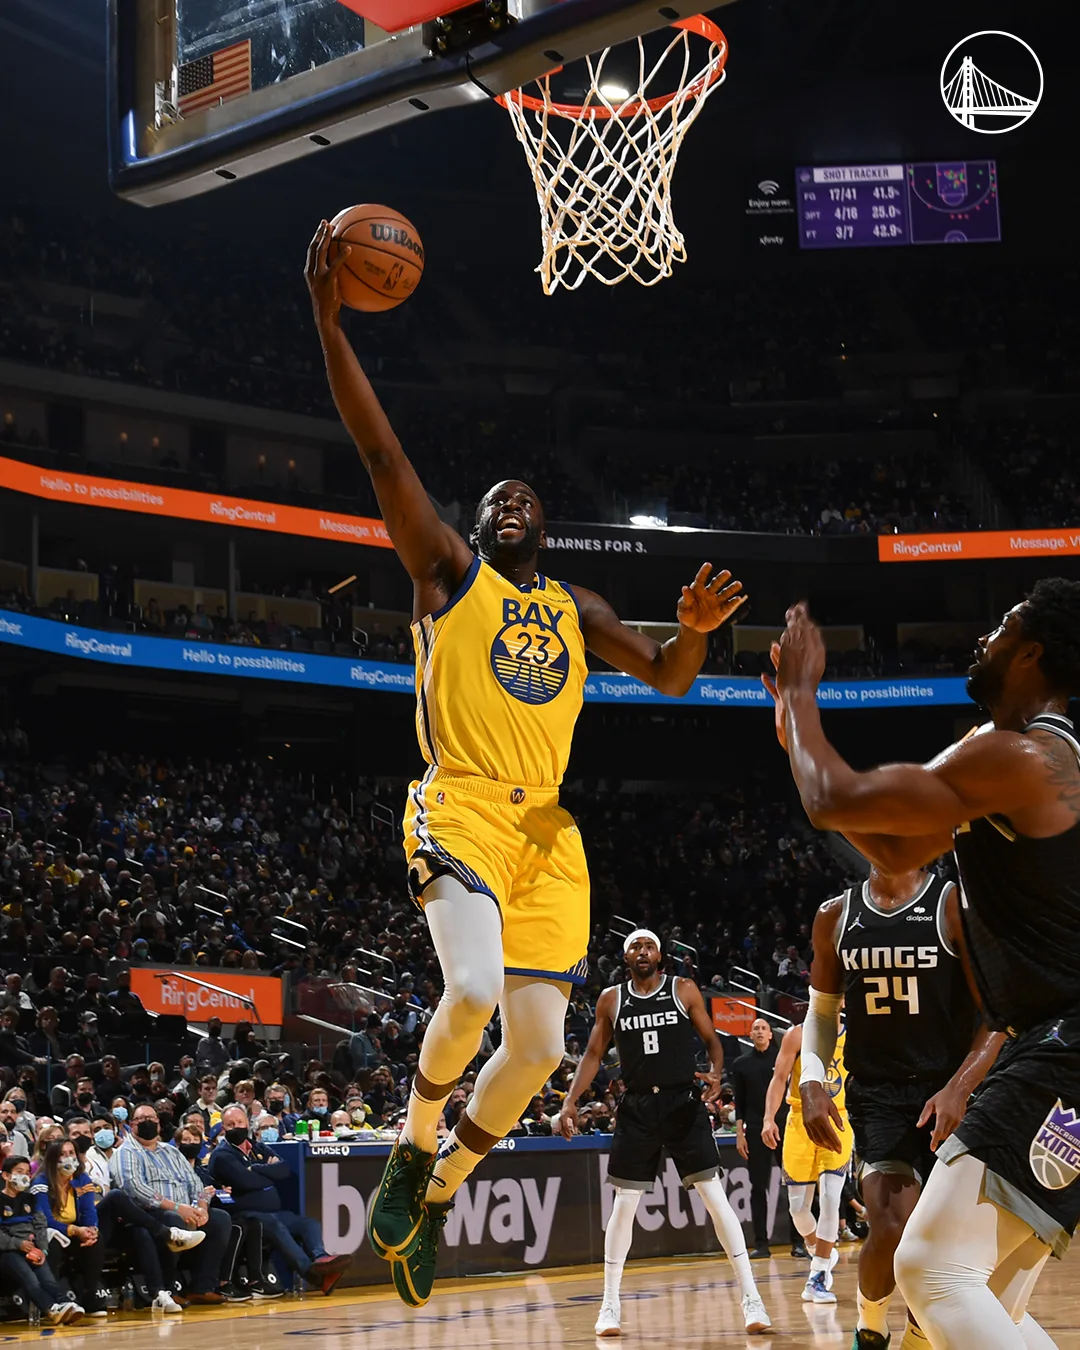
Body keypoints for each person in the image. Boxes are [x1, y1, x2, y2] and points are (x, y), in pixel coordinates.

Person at [306, 218, 747, 1309]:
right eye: (494, 498)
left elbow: (675, 675)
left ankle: (443, 1185)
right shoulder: (448, 572)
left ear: (546, 527)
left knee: (542, 1046)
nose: (509, 503)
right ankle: (413, 1152)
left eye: (526, 500)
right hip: (458, 804)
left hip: (550, 833)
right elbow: (381, 454)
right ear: (473, 523)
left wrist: (692, 632)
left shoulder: (575, 605)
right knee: (465, 993)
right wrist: (327, 319)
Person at [765, 581, 1080, 1348]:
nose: (983, 639)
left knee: (931, 1271)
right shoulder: (1021, 761)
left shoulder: (1026, 756)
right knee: (976, 1313)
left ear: (1033, 652)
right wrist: (795, 738)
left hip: (1059, 1048)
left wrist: (803, 702)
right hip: (1051, 1047)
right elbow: (898, 845)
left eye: (1001, 627)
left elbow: (834, 796)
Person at [802, 861, 1004, 1349]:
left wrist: (959, 1087)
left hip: (950, 1089)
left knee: (936, 1247)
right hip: (877, 1093)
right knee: (892, 1225)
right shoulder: (835, 914)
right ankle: (870, 1325)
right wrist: (811, 1079)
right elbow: (822, 1010)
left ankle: (919, 1337)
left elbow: (997, 1013)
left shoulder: (953, 904)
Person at [556, 930, 770, 1336]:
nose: (642, 951)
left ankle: (751, 1298)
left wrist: (717, 1073)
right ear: (625, 957)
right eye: (635, 946)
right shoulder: (611, 999)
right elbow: (593, 1055)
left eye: (648, 946)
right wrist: (570, 1101)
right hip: (638, 1107)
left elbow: (712, 1041)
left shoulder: (683, 989)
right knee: (625, 1204)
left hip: (682, 1103)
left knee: (715, 1197)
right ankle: (609, 1304)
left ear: (660, 955)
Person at [207, 1105, 350, 1295]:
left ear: (247, 1123)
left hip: (272, 1212)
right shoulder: (222, 1155)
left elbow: (283, 1170)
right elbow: (246, 1181)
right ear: (224, 1129)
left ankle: (321, 1259)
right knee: (275, 1225)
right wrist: (267, 1172)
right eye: (230, 1124)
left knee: (307, 1223)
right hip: (244, 1216)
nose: (236, 1127)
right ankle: (313, 1274)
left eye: (239, 1122)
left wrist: (255, 1169)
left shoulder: (257, 1147)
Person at [762, 1018, 849, 1305]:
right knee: (798, 1208)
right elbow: (779, 1078)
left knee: (830, 1198)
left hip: (838, 1118)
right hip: (800, 1119)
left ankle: (818, 1275)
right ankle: (818, 1247)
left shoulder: (855, 1034)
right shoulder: (796, 1034)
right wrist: (767, 1118)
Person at [113, 1102, 229, 1310]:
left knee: (220, 1219)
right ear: (132, 1124)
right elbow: (134, 1189)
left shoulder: (172, 1151)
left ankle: (202, 1287)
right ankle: (168, 1290)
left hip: (185, 1210)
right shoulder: (126, 1151)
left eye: (152, 1119)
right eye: (142, 1119)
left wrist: (201, 1207)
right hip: (149, 1214)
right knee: (173, 1221)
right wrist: (177, 1208)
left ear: (159, 1124)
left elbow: (196, 1184)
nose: (148, 1122)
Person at [0, 1155, 81, 1324]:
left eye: (28, 1173)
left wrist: (42, 1248)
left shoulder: (30, 1198)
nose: (24, 1176)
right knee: (30, 1279)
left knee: (48, 1278)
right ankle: (51, 1309)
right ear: (6, 1176)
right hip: (8, 1250)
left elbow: (40, 1223)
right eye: (19, 1172)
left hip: (33, 1247)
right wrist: (18, 1244)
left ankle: (66, 1304)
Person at [32, 1137, 107, 1315]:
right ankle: (54, 1302)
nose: (68, 1158)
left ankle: (90, 1297)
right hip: (50, 1232)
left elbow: (89, 1211)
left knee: (97, 1240)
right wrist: (75, 1230)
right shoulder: (40, 1183)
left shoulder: (82, 1180)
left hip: (75, 1232)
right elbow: (45, 1221)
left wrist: (91, 1230)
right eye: (62, 1154)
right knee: (53, 1242)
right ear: (52, 1158)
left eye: (71, 1153)